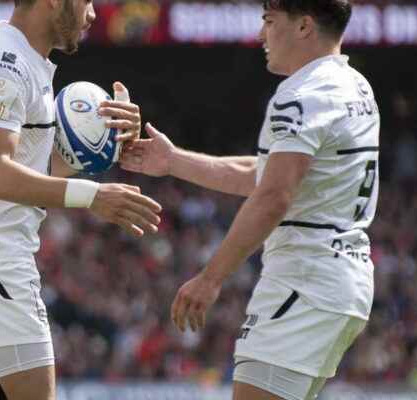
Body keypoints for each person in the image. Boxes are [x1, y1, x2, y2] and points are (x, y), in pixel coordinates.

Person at [120, 1, 379, 399]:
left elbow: (274, 196)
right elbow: (264, 176)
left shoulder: (302, 95)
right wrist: (173, 161)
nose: (261, 35)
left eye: (270, 22)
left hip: (304, 282)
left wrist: (211, 278)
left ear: (304, 27)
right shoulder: (355, 87)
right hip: (341, 279)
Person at [0, 0, 164, 399]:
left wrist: (105, 146)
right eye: (87, 1)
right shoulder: (5, 64)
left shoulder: (22, 60)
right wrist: (91, 197)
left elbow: (27, 168)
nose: (92, 14)